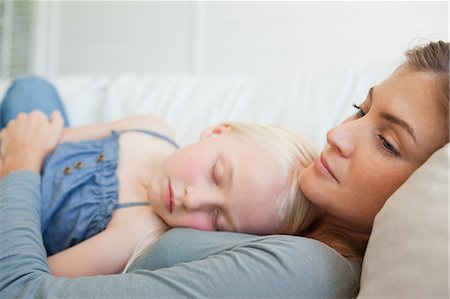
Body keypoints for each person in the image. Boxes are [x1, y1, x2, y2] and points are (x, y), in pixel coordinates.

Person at [0, 40, 448, 298]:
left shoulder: (308, 271)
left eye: (387, 142)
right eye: (359, 110)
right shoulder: (303, 207)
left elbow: (22, 291)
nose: (336, 134)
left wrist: (19, 165)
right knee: (32, 93)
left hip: (28, 210)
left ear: (428, 182)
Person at [0, 81, 320, 277]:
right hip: (23, 150)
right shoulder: (149, 128)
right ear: (216, 131)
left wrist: (15, 170)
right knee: (32, 89)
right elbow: (50, 139)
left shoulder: (135, 232)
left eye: (218, 220)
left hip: (12, 212)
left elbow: (36, 272)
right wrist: (20, 145)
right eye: (215, 175)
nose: (193, 200)